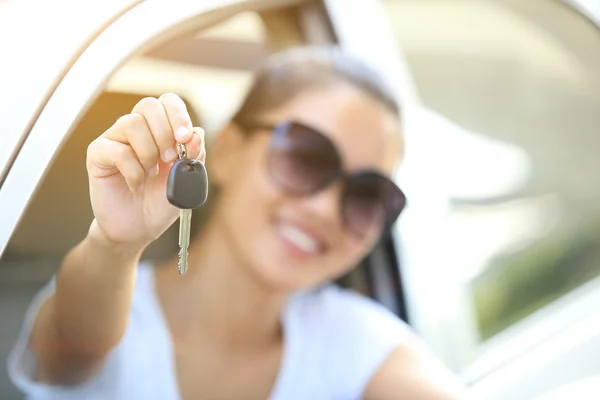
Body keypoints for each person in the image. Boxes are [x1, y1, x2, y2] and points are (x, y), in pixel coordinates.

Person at [8, 46, 468, 399]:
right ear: (226, 149)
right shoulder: (109, 307)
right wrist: (115, 243)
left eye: (368, 195)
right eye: (306, 157)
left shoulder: (356, 340)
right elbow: (72, 351)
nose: (327, 208)